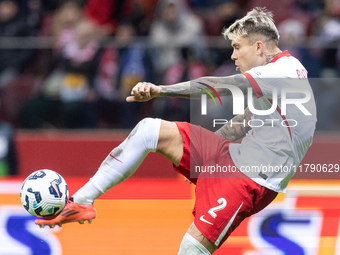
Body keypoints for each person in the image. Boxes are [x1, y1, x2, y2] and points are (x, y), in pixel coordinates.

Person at [35, 7, 317, 254]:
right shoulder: (283, 75)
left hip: (250, 181)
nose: (232, 55)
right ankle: (82, 202)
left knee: (190, 250)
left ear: (258, 47)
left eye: (236, 47)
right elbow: (250, 118)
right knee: (149, 130)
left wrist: (161, 90)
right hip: (231, 158)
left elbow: (215, 87)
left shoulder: (282, 71)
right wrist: (206, 160)